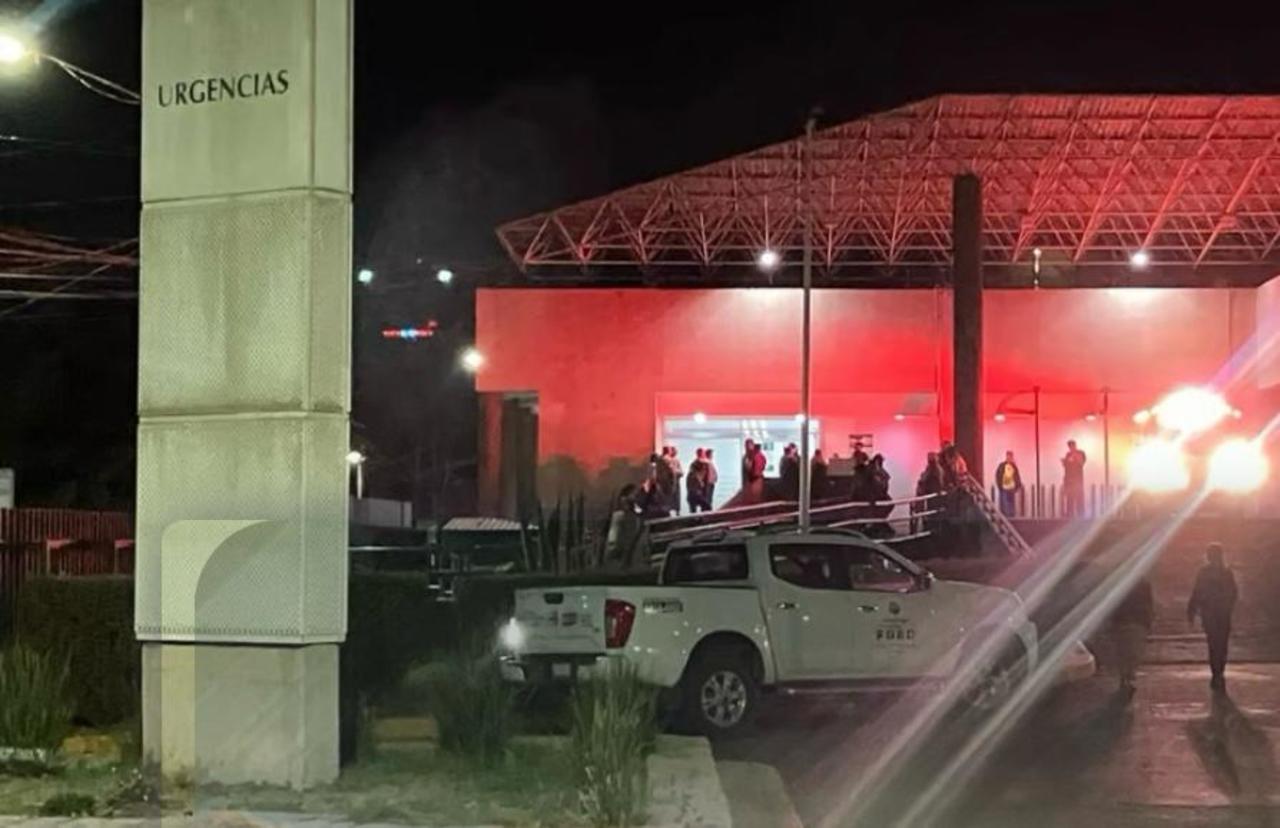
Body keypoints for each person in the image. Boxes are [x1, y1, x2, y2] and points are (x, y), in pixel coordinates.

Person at [1188, 543, 1239, 692]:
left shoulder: (1209, 573)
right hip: (1218, 614)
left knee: (1215, 644)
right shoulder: (1225, 573)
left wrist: (1192, 609)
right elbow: (1233, 593)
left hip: (1213, 614)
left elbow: (1197, 592)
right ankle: (1218, 672)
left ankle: (1217, 672)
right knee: (1219, 644)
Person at [1110, 577, 1154, 695]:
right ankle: (1128, 675)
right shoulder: (1144, 584)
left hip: (1124, 621)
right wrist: (1148, 620)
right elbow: (1148, 603)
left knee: (1124, 652)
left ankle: (1126, 676)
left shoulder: (1118, 582)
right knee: (1132, 652)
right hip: (1135, 621)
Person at [1061, 440, 1087, 518]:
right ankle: (1070, 513)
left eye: (1072, 446)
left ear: (1075, 445)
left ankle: (1080, 513)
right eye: (1070, 446)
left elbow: (1081, 463)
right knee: (1070, 497)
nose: (1071, 447)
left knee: (1079, 496)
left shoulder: (1081, 453)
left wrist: (1075, 455)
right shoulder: (1068, 454)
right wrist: (1064, 462)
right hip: (1069, 479)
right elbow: (1066, 466)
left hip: (1078, 479)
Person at [994, 450, 1023, 517]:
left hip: (1011, 488)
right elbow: (998, 475)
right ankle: (1005, 517)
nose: (1009, 458)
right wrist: (999, 485)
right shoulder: (1002, 465)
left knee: (1011, 504)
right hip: (1004, 488)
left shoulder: (1014, 466)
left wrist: (1017, 486)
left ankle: (1011, 517)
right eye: (1008, 456)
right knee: (1004, 504)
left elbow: (1017, 476)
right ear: (1006, 456)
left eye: (1010, 457)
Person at [686, 449, 710, 513]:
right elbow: (695, 475)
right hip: (695, 491)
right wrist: (700, 482)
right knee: (706, 506)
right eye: (703, 453)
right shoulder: (696, 464)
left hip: (696, 491)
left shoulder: (698, 464)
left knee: (697, 508)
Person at [665, 446, 683, 515]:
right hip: (669, 483)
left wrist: (676, 472)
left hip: (676, 481)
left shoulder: (677, 460)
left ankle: (677, 513)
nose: (675, 452)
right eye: (673, 451)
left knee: (677, 498)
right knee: (668, 498)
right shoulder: (666, 460)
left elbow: (681, 471)